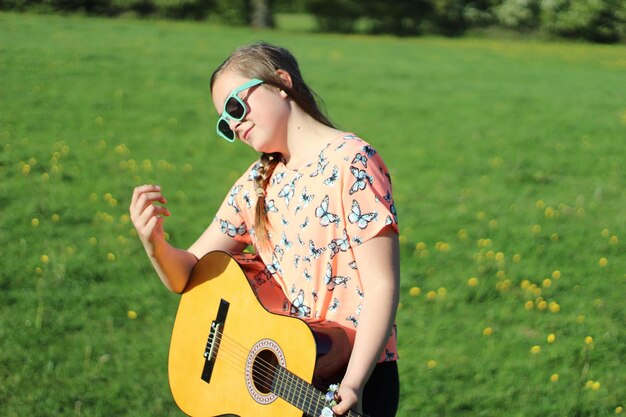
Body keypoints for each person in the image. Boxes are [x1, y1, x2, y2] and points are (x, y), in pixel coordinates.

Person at [130, 42, 400, 417]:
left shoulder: (351, 163)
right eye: (225, 123)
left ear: (281, 83)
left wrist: (353, 383)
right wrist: (155, 245)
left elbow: (382, 284)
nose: (234, 125)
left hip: (354, 373)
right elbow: (189, 274)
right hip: (284, 377)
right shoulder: (257, 181)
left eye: (235, 107)